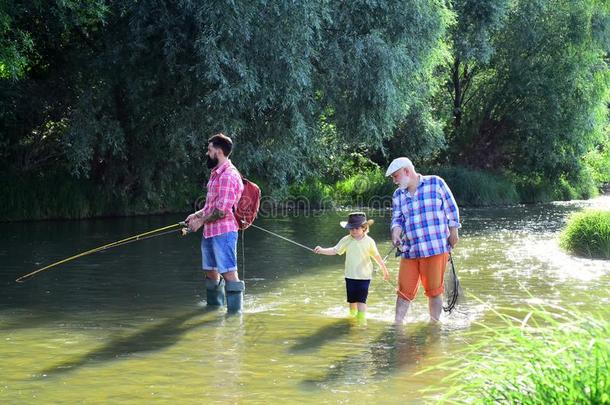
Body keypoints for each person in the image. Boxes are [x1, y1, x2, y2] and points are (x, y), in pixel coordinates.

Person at [385, 157, 460, 324]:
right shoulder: (398, 195)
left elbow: (451, 209)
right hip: (409, 251)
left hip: (435, 248)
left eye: (395, 176)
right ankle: (397, 325)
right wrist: (395, 233)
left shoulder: (436, 183)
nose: (394, 180)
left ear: (406, 171)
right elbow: (397, 219)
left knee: (434, 292)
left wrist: (454, 232)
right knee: (403, 292)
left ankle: (434, 326)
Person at [184, 133, 245, 312]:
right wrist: (196, 215)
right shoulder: (215, 173)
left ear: (218, 152)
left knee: (228, 272)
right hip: (210, 232)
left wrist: (200, 222)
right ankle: (213, 311)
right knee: (210, 272)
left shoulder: (228, 175)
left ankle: (234, 316)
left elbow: (222, 210)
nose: (207, 153)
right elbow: (212, 206)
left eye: (209, 150)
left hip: (224, 232)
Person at [314, 212, 390, 324]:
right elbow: (335, 250)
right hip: (350, 275)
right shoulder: (346, 240)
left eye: (356, 228)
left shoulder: (369, 241)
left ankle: (361, 321)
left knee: (361, 301)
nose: (353, 231)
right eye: (351, 228)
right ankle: (352, 318)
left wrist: (384, 270)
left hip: (364, 276)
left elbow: (377, 256)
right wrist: (321, 250)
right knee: (352, 300)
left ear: (364, 228)